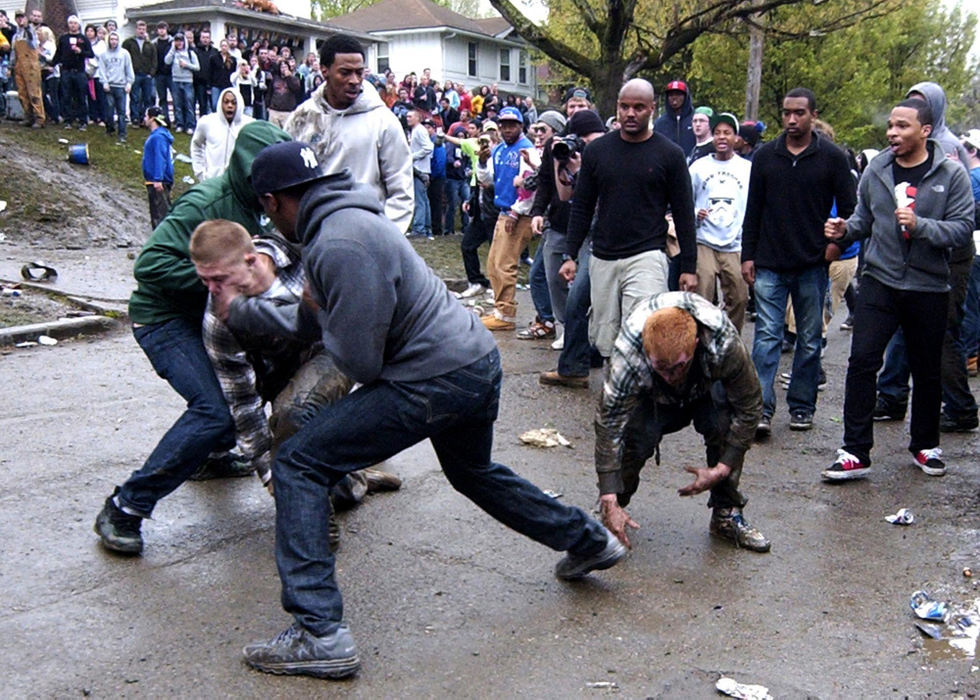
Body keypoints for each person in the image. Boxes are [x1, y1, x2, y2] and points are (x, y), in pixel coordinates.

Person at [240, 141, 625, 679]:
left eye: (265, 209)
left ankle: (318, 632)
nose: (268, 219)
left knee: (300, 461)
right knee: (473, 471)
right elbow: (318, 318)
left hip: (434, 377)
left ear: (276, 200)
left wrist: (315, 312)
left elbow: (359, 362)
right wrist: (254, 312)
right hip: (472, 360)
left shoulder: (338, 243)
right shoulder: (348, 220)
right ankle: (589, 540)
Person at [93, 122, 291, 555]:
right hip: (163, 319)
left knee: (264, 376)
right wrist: (223, 282)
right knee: (216, 410)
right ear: (247, 172)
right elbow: (149, 264)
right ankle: (126, 506)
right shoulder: (209, 202)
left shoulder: (265, 204)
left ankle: (212, 455)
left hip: (211, 319)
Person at [188, 220, 402, 549]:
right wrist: (269, 473)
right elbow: (242, 402)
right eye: (205, 281)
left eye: (219, 279)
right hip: (278, 374)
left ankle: (314, 525)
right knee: (299, 452)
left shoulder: (305, 263)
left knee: (294, 413)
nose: (213, 290)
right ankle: (350, 480)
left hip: (331, 352)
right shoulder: (217, 320)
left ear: (251, 260)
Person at [822, 98, 974, 481]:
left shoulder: (950, 174)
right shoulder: (877, 169)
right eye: (891, 125)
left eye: (903, 126)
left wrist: (920, 224)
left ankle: (925, 446)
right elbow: (864, 219)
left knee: (926, 369)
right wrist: (845, 230)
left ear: (925, 131)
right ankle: (855, 451)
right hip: (880, 281)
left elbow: (960, 229)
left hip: (929, 285)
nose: (893, 132)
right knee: (862, 363)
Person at [592, 292, 770, 552]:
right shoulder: (628, 353)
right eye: (661, 368)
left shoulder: (722, 340)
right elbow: (609, 423)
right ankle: (611, 514)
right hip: (650, 395)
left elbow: (750, 406)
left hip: (705, 385)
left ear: (696, 343)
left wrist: (724, 466)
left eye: (677, 367)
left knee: (723, 425)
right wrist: (608, 495)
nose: (670, 376)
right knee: (635, 441)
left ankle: (726, 514)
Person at [740, 88, 855, 436]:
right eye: (787, 113)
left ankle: (802, 406)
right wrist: (748, 254)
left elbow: (852, 212)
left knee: (808, 339)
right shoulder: (765, 157)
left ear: (812, 115)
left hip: (812, 264)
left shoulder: (832, 158)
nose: (792, 120)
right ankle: (760, 409)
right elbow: (753, 210)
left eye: (800, 113)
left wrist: (837, 244)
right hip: (770, 261)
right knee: (766, 338)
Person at [560, 79, 698, 359]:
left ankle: (643, 396)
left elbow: (684, 213)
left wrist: (689, 266)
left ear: (651, 109)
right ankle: (616, 389)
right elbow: (582, 205)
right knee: (605, 335)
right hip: (603, 255)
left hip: (647, 254)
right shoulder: (598, 151)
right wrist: (570, 254)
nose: (630, 113)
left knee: (643, 328)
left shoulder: (670, 155)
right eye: (624, 107)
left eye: (638, 107)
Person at [872, 82, 979, 434]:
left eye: (917, 110)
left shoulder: (948, 152)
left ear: (929, 121)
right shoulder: (890, 158)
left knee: (943, 335)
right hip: (903, 260)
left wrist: (923, 226)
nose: (897, 129)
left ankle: (961, 407)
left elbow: (962, 219)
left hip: (947, 261)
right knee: (902, 329)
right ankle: (891, 394)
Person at [284, 34, 412, 232]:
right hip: (312, 238)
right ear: (325, 71)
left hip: (366, 238)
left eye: (359, 73)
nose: (354, 80)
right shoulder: (302, 117)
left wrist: (384, 238)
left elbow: (402, 192)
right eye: (345, 73)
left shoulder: (383, 121)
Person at [537, 109, 607, 387]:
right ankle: (575, 367)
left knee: (608, 307)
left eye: (588, 138)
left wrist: (582, 172)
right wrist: (560, 163)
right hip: (591, 238)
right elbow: (567, 197)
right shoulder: (578, 157)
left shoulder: (609, 151)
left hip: (616, 239)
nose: (585, 144)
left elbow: (608, 199)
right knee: (577, 300)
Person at [689, 112, 751, 331]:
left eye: (727, 133)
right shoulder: (698, 167)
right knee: (702, 296)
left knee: (740, 297)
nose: (722, 137)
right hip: (704, 239)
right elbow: (686, 200)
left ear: (736, 137)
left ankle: (731, 339)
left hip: (735, 242)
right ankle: (703, 340)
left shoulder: (746, 169)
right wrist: (697, 212)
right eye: (717, 133)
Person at [476, 105, 536, 331]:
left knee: (504, 263)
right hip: (503, 211)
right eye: (504, 125)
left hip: (518, 214)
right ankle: (500, 308)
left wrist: (516, 211)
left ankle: (506, 313)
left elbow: (531, 184)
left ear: (521, 126)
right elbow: (488, 179)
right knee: (493, 263)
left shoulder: (526, 149)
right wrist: (481, 163)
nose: (508, 128)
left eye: (513, 124)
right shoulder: (500, 149)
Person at [191, 87, 253, 180]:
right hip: (212, 181)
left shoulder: (249, 125)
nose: (230, 106)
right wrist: (200, 172)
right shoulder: (207, 122)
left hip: (238, 184)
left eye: (233, 102)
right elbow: (196, 145)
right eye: (226, 102)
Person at [52, 14, 92, 129]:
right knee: (66, 96)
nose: (73, 25)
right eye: (71, 23)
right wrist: (51, 65)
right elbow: (58, 54)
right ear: (68, 25)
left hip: (79, 72)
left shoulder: (83, 38)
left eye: (75, 23)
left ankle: (83, 121)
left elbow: (91, 54)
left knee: (81, 96)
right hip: (66, 71)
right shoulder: (63, 38)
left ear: (78, 24)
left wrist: (81, 51)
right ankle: (68, 120)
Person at [96, 30, 133, 142]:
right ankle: (110, 129)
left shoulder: (124, 53)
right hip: (109, 86)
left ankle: (122, 133)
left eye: (116, 39)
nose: (114, 41)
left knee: (122, 111)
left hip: (121, 86)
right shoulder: (104, 55)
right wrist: (105, 82)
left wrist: (129, 82)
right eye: (111, 39)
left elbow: (128, 68)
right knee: (109, 111)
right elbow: (102, 70)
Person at [10, 9, 44, 128]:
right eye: (18, 17)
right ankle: (28, 116)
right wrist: (11, 66)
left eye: (22, 17)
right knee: (22, 93)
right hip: (19, 65)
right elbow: (13, 53)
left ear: (26, 18)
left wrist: (26, 27)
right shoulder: (15, 36)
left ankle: (39, 118)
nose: (20, 19)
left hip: (31, 65)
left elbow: (33, 44)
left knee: (34, 92)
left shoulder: (31, 32)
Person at [141, 105, 173, 229]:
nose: (144, 119)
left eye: (146, 116)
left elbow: (160, 158)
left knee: (160, 215)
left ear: (152, 118)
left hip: (158, 181)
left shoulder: (157, 137)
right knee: (158, 213)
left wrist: (158, 179)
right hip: (154, 180)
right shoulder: (159, 136)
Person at [122, 20, 155, 128]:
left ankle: (146, 119)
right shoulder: (128, 43)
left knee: (147, 98)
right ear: (136, 30)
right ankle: (135, 119)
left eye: (143, 29)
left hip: (147, 75)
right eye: (140, 29)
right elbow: (124, 58)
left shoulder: (150, 45)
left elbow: (154, 60)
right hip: (134, 74)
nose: (141, 31)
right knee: (135, 97)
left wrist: (151, 73)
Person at [407, 109, 434, 237]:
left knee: (420, 200)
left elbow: (429, 147)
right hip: (420, 168)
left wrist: (412, 156)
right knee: (423, 199)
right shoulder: (415, 131)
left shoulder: (419, 130)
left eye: (410, 116)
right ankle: (426, 228)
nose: (407, 118)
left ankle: (419, 229)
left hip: (420, 169)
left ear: (418, 118)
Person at [165, 32, 198, 133]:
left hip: (187, 81)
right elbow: (167, 61)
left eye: (181, 41)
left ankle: (190, 125)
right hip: (175, 81)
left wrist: (186, 65)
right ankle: (180, 124)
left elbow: (197, 67)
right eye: (177, 41)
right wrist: (172, 49)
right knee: (177, 104)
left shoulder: (190, 53)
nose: (179, 43)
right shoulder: (173, 53)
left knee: (189, 104)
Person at [653, 79, 694, 154]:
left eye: (678, 94)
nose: (674, 97)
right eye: (671, 95)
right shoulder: (660, 123)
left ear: (685, 97)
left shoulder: (696, 120)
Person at [152, 22, 173, 122]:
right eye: (159, 28)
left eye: (163, 28)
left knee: (176, 98)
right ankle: (165, 119)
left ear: (167, 29)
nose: (161, 30)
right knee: (162, 98)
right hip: (159, 74)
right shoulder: (154, 43)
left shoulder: (173, 42)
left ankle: (178, 120)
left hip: (171, 74)